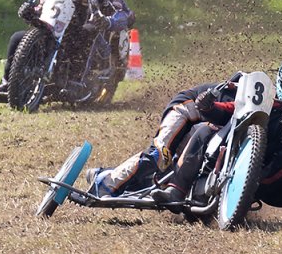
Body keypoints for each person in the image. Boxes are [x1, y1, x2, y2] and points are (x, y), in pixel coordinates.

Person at [151, 56, 282, 211]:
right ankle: (176, 190)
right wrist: (207, 107)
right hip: (244, 160)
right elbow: (230, 110)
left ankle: (244, 193)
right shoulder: (267, 101)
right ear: (281, 83)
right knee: (205, 128)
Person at [86, 72, 241, 198]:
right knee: (160, 156)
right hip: (183, 110)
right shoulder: (237, 97)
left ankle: (108, 173)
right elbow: (215, 111)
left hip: (199, 124)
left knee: (166, 174)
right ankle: (105, 183)